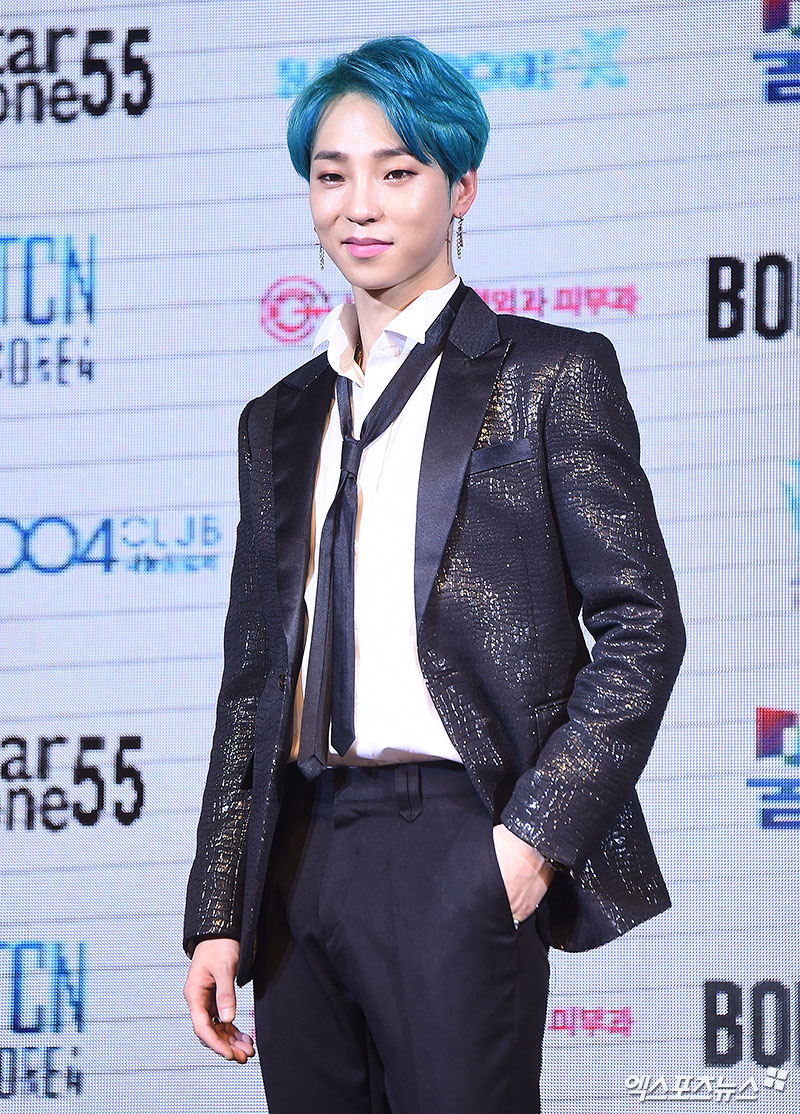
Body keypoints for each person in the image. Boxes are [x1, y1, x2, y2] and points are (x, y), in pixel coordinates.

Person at [182, 35, 685, 1114]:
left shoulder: (550, 374)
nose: (359, 206)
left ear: (460, 189)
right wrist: (219, 908)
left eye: (397, 171)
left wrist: (530, 841)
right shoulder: (276, 419)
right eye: (331, 175)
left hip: (459, 835)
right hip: (296, 855)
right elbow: (252, 679)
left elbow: (642, 626)